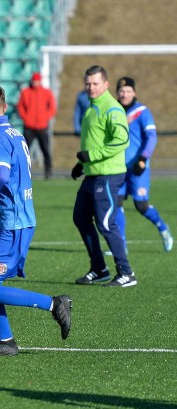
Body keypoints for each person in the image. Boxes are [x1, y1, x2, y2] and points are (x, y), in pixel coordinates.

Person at [0, 84, 71, 356]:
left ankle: (54, 304)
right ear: (6, 107)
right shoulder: (14, 132)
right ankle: (6, 341)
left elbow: (0, 176)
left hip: (13, 223)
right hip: (4, 218)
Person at [72, 65, 137, 287]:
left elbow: (122, 140)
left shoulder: (112, 108)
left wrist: (91, 155)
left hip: (109, 174)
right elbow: (94, 141)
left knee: (106, 223)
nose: (90, 87)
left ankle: (127, 273)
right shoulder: (91, 107)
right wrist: (81, 164)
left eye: (95, 83)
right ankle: (99, 268)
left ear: (106, 84)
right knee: (80, 217)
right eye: (88, 83)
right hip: (92, 174)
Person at [113, 77, 172, 253]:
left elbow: (152, 137)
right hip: (118, 168)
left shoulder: (142, 112)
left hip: (138, 168)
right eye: (121, 91)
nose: (124, 94)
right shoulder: (113, 111)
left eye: (128, 91)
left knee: (141, 206)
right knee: (116, 204)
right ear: (117, 93)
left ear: (134, 93)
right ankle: (121, 244)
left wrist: (143, 158)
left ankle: (163, 228)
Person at [16, 72, 56, 179]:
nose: (35, 82)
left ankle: (48, 172)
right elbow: (20, 107)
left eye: (37, 80)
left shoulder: (46, 92)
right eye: (34, 80)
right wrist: (26, 117)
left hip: (42, 126)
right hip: (29, 126)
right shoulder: (26, 92)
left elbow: (52, 107)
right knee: (25, 151)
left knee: (45, 150)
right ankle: (21, 172)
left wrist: (45, 117)